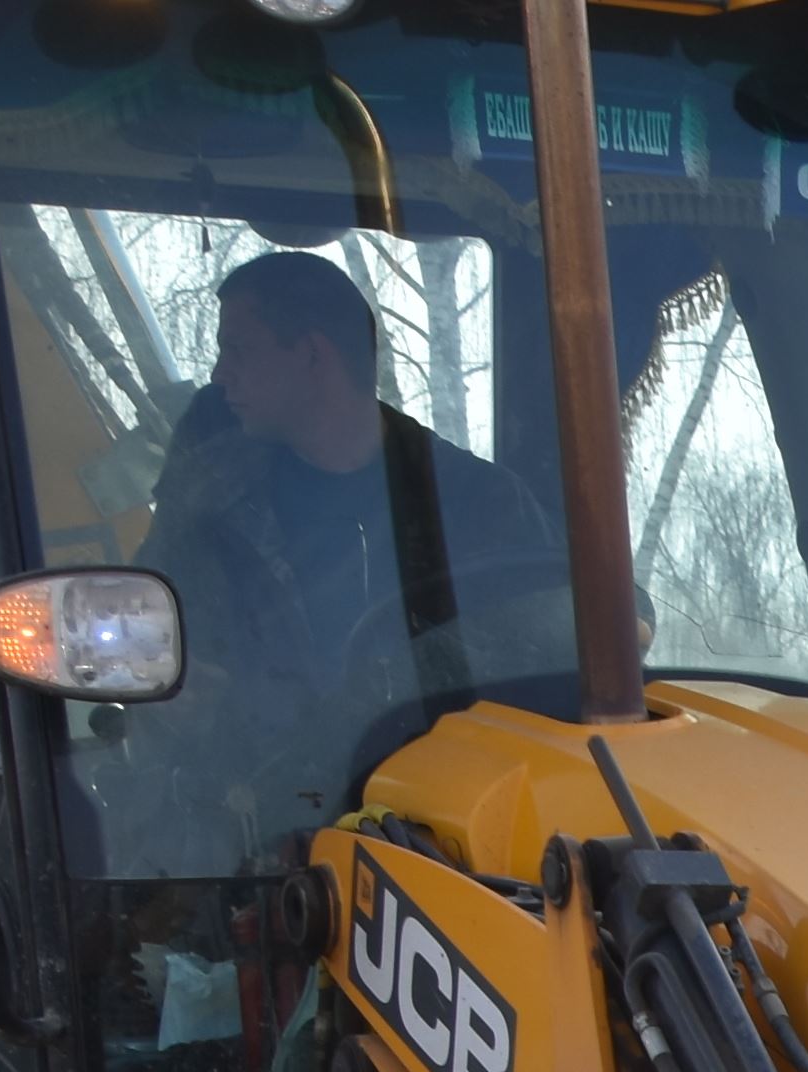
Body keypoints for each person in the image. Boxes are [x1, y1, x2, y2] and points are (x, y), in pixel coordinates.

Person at [133, 246, 556, 783]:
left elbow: (554, 655)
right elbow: (145, 628)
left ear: (313, 355)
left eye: (237, 350)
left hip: (434, 812)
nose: (220, 375)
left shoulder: (484, 505)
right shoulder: (208, 499)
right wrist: (174, 689)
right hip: (243, 824)